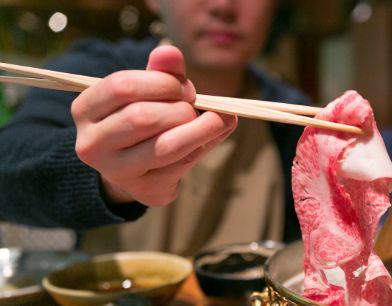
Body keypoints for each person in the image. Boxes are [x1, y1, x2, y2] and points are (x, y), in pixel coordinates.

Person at [0, 0, 309, 254]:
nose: (223, 6)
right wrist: (106, 178)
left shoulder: (291, 116)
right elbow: (7, 171)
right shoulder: (96, 69)